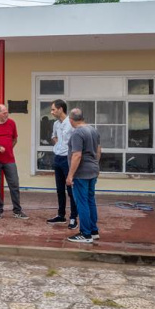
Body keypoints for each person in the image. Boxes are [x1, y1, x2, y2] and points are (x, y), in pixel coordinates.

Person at [66, 108, 101, 243]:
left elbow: (77, 155)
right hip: (93, 170)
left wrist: (70, 175)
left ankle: (85, 233)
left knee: (82, 202)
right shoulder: (93, 130)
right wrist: (95, 165)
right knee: (90, 200)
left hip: (81, 173)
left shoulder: (77, 133)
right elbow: (98, 150)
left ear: (71, 120)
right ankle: (93, 231)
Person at [0, 104, 28, 220]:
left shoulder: (11, 123)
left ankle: (17, 210)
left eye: (7, 112)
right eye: (4, 113)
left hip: (9, 159)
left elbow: (15, 139)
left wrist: (8, 148)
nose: (6, 115)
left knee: (14, 184)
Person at [47, 100, 78, 229]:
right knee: (60, 189)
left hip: (68, 158)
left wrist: (68, 150)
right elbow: (54, 137)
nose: (52, 112)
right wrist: (58, 145)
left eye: (53, 109)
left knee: (71, 189)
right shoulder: (56, 124)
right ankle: (61, 215)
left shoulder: (70, 123)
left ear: (60, 109)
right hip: (58, 157)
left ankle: (73, 217)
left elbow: (76, 139)